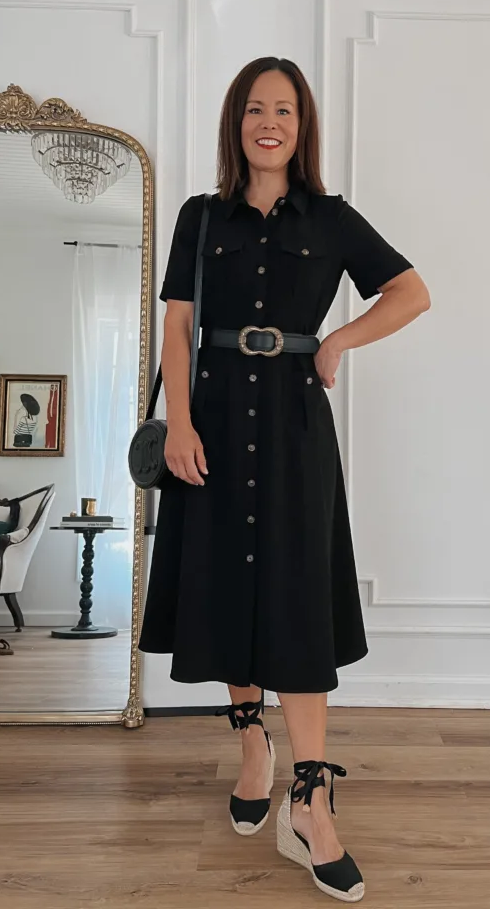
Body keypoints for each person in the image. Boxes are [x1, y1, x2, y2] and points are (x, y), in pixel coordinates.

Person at [139, 56, 430, 902]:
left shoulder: (333, 220)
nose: (271, 122)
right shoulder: (200, 216)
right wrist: (183, 421)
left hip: (299, 429)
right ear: (237, 123)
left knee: (298, 598)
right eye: (256, 109)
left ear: (303, 129)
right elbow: (180, 330)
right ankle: (250, 746)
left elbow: (410, 292)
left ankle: (310, 799)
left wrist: (338, 341)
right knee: (229, 586)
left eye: (287, 112)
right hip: (215, 425)